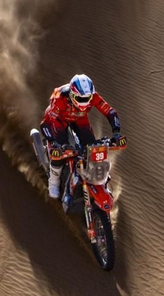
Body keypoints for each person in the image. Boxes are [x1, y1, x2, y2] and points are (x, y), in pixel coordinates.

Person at [40, 73, 123, 205]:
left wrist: (116, 133)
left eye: (87, 98)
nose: (84, 102)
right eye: (80, 98)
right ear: (72, 95)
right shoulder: (59, 99)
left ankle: (98, 182)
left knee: (92, 148)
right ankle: (53, 183)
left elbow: (110, 112)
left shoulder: (93, 96)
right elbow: (46, 123)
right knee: (59, 153)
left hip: (79, 119)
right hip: (59, 120)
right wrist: (54, 143)